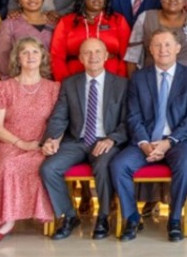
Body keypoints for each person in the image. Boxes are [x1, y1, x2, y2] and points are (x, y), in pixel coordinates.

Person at [111, 28, 187, 242]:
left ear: (177, 49)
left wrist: (168, 142)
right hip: (144, 141)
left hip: (177, 142)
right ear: (150, 50)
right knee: (118, 165)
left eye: (168, 45)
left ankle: (174, 219)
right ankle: (132, 217)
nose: (163, 50)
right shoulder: (138, 78)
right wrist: (145, 144)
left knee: (186, 161)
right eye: (158, 45)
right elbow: (133, 116)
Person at [40, 38, 129, 241]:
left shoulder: (122, 84)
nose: (93, 56)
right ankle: (69, 216)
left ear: (106, 56)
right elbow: (59, 116)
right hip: (77, 141)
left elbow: (127, 121)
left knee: (104, 165)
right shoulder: (70, 84)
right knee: (48, 168)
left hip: (106, 140)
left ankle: (104, 216)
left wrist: (111, 140)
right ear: (80, 58)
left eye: (98, 51)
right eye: (87, 53)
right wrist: (52, 139)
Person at [0, 37, 59, 243]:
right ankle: (6, 219)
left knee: (44, 165)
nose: (30, 56)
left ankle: (39, 213)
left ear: (42, 57)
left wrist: (53, 142)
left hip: (41, 144)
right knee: (8, 164)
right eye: (25, 52)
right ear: (17, 58)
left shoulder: (54, 88)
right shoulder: (4, 88)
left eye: (35, 52)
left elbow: (61, 122)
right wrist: (21, 144)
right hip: (9, 143)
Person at [50, 0, 130, 82]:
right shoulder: (67, 22)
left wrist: (120, 81)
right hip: (74, 79)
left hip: (112, 78)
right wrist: (65, 84)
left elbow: (127, 55)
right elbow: (56, 57)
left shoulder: (118, 20)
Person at [0, 0, 56, 79]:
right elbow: (3, 57)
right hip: (20, 82)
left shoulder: (54, 22)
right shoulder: (9, 24)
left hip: (52, 82)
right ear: (19, 0)